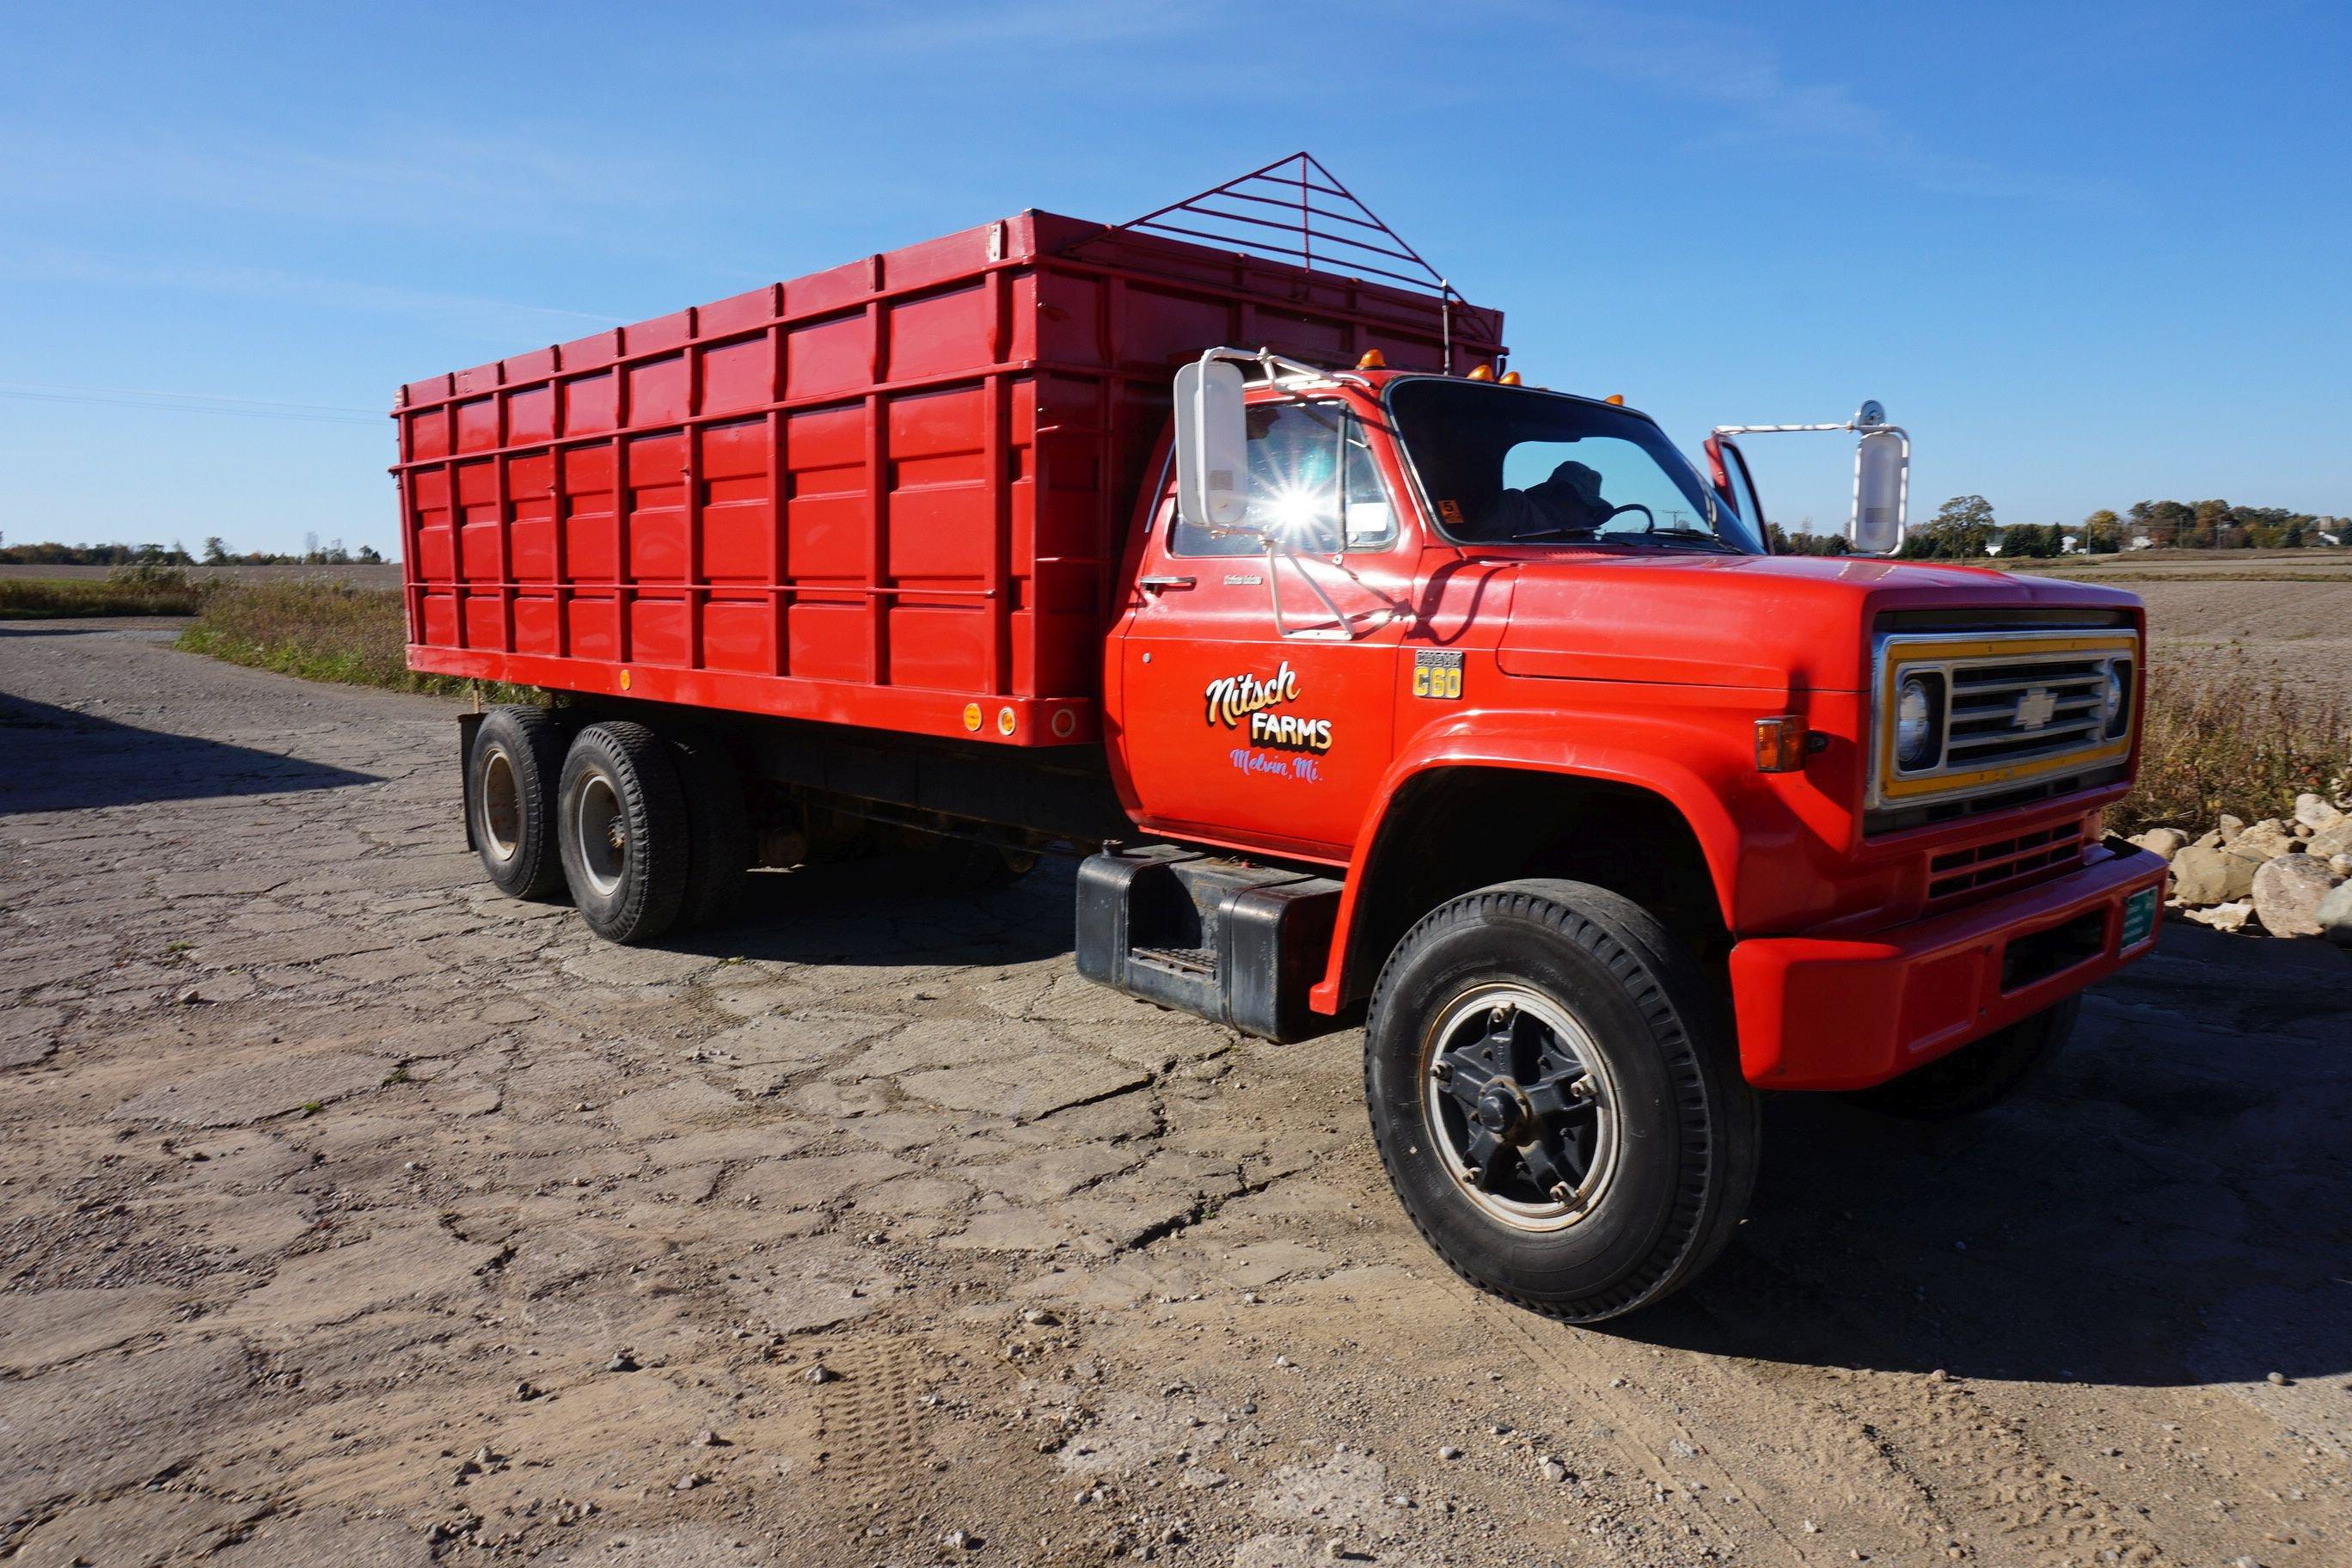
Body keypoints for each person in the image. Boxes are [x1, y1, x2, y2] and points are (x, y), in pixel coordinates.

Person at [1478, 459, 1612, 541]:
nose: (1584, 509)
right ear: (1559, 491)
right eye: (1578, 499)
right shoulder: (1517, 505)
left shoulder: (1581, 531)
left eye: (1589, 507)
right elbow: (1489, 550)